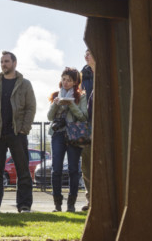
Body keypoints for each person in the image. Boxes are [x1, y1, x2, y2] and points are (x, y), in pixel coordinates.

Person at [0, 51, 36, 213]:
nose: (3, 64)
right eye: (2, 62)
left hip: (17, 133)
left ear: (14, 63)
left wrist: (23, 129)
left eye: (6, 61)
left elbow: (30, 107)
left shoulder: (25, 84)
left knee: (23, 171)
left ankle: (24, 205)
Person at [47, 67, 88, 212]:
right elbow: (50, 117)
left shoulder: (81, 96)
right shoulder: (56, 94)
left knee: (73, 169)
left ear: (75, 82)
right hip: (58, 134)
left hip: (74, 135)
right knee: (56, 169)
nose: (65, 82)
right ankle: (57, 204)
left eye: (69, 80)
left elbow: (83, 116)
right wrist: (56, 103)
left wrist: (71, 104)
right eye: (64, 79)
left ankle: (71, 204)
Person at [80, 49, 95, 212]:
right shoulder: (82, 75)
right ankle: (91, 200)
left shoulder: (106, 70)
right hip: (84, 124)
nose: (86, 55)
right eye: (85, 53)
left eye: (90, 52)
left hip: (102, 122)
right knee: (86, 164)